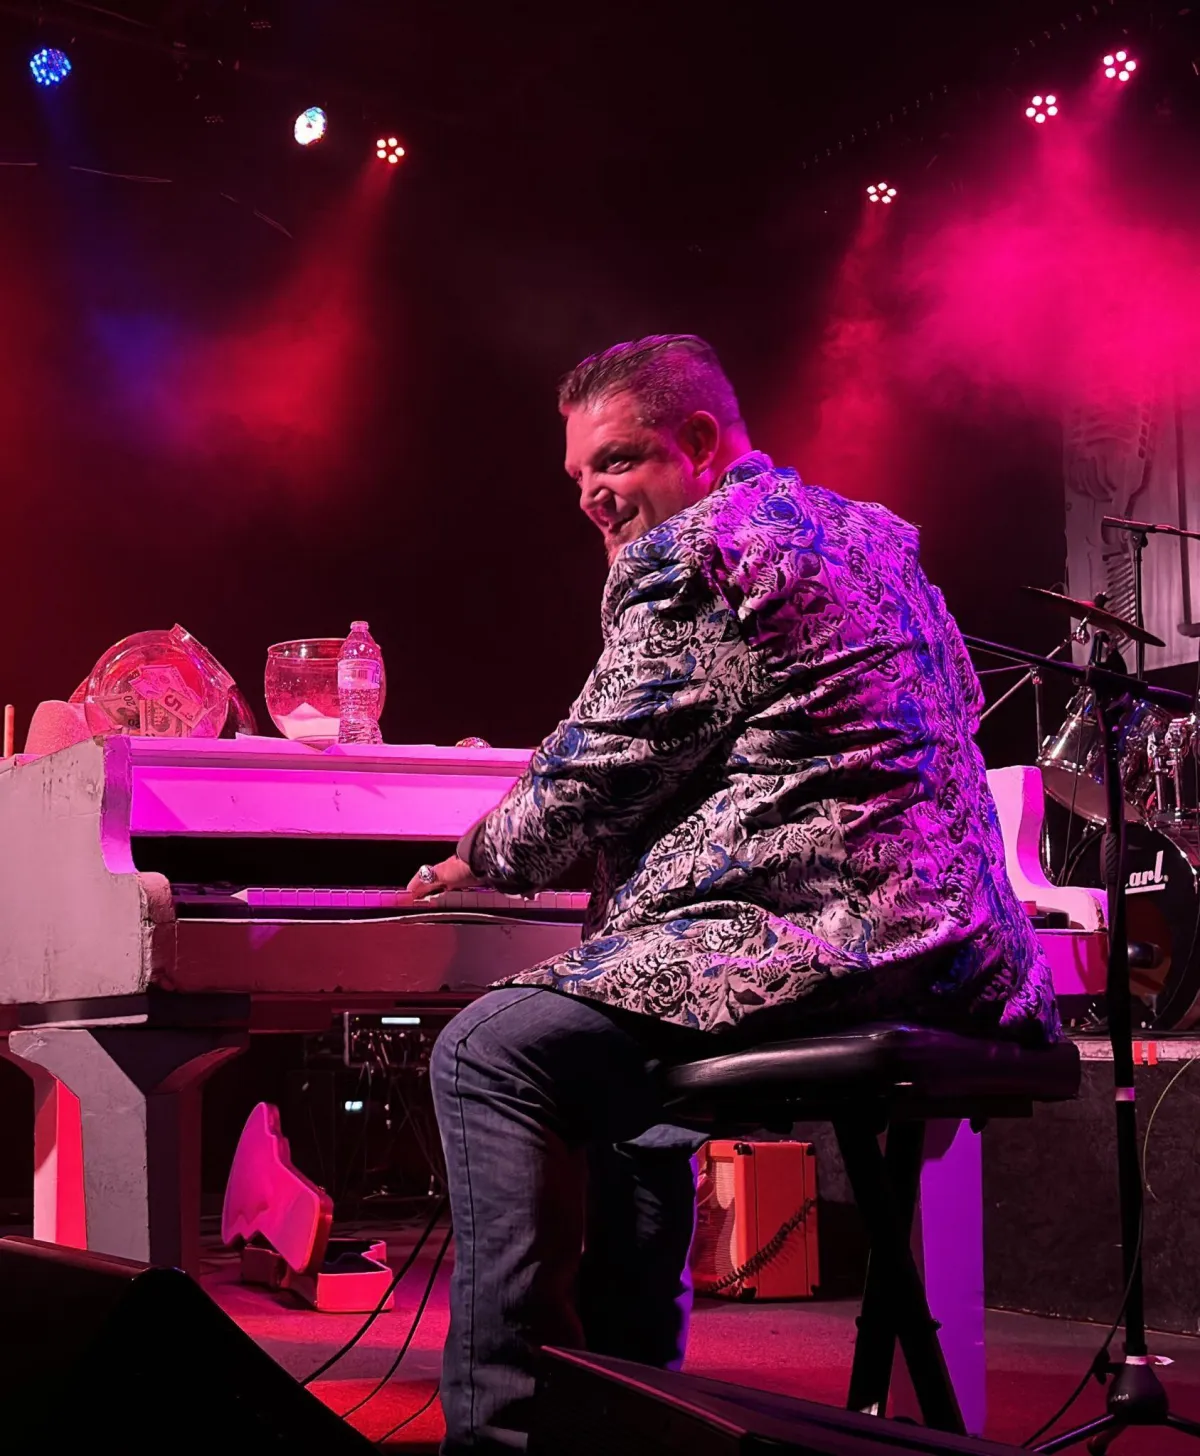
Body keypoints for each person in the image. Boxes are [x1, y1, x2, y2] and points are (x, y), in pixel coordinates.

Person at [407, 334, 1060, 1454]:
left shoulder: (698, 549)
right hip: (965, 953)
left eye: (616, 463)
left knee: (488, 1048)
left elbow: (595, 768)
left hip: (827, 942)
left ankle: (505, 1438)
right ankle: (631, 1416)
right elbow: (946, 698)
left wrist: (472, 857)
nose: (594, 499)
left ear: (701, 444)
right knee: (628, 1085)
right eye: (577, 478)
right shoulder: (872, 536)